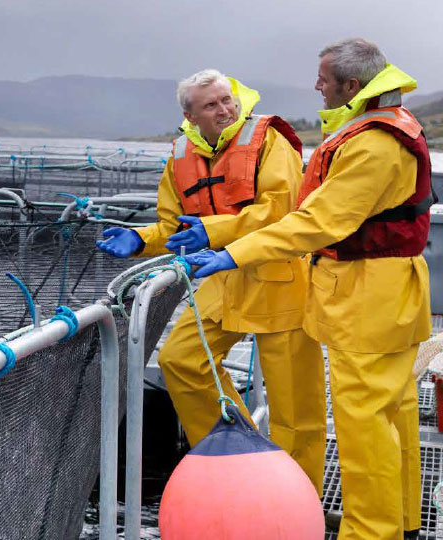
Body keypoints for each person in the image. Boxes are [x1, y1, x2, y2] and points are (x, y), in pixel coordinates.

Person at [185, 39, 433, 540]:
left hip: (368, 296)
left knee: (363, 422)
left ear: (351, 85)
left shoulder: (372, 144)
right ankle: (403, 521)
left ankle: (372, 531)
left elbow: (317, 222)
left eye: (323, 78)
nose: (316, 85)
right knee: (394, 409)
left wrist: (234, 253)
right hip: (391, 290)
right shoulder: (393, 125)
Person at [97, 69, 327, 495]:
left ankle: (301, 502)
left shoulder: (269, 139)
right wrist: (140, 239)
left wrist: (213, 232)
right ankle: (240, 459)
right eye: (211, 105)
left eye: (226, 99)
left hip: (281, 279)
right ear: (190, 116)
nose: (225, 109)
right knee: (181, 361)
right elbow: (174, 226)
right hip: (222, 280)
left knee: (297, 410)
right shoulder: (181, 154)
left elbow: (281, 211)